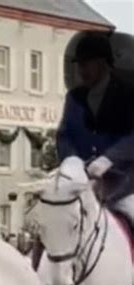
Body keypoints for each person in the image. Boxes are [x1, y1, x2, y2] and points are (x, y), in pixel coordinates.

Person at [57, 33, 134, 223]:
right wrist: (72, 160)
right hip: (82, 182)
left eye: (86, 64)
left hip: (125, 183)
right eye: (79, 65)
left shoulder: (128, 94)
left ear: (102, 63)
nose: (81, 70)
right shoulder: (74, 98)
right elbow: (64, 136)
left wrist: (109, 158)